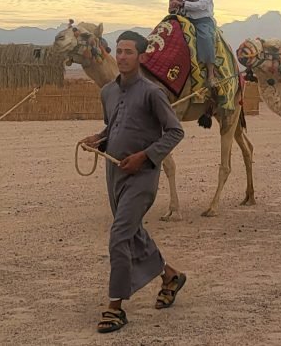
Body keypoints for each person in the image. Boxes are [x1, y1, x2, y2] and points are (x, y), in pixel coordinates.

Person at [80, 30, 187, 334]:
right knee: (133, 233)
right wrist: (97, 140)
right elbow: (112, 127)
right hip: (114, 173)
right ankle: (170, 277)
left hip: (142, 177)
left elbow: (175, 132)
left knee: (119, 237)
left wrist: (145, 156)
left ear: (141, 57)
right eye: (119, 50)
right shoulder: (108, 92)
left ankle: (115, 309)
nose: (122, 56)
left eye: (129, 52)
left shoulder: (153, 93)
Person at [168, 0, 218, 88]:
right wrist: (174, 6)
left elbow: (203, 4)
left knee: (206, 38)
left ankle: (211, 74)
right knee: (165, 33)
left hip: (201, 19)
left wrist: (183, 4)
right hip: (183, 17)